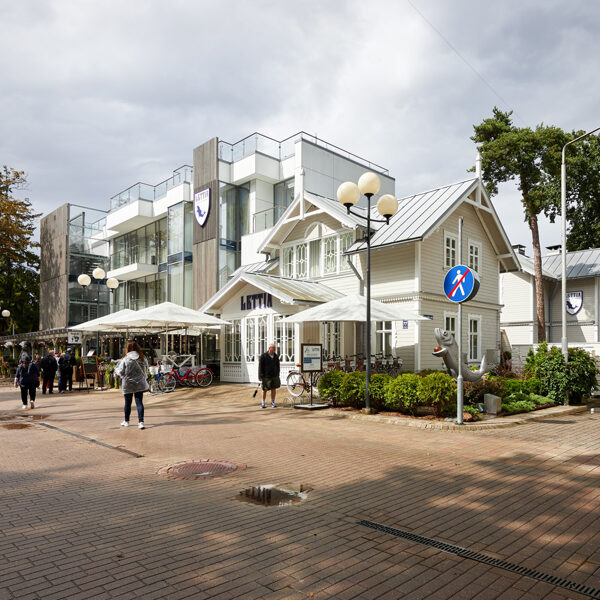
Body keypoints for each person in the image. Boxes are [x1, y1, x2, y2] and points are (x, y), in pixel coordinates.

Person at [115, 341, 148, 429]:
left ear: (128, 349)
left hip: (128, 384)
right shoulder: (142, 358)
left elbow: (121, 372)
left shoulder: (125, 359)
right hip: (139, 384)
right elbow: (146, 369)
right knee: (139, 403)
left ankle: (126, 421)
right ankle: (141, 422)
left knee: (127, 403)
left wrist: (116, 370)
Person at [258, 343, 280, 409]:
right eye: (273, 348)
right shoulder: (263, 356)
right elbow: (260, 366)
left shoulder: (276, 356)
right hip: (266, 376)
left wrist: (278, 374)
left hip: (274, 375)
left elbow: (278, 366)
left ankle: (272, 402)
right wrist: (260, 376)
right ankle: (263, 402)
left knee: (273, 389)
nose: (274, 349)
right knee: (264, 389)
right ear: (269, 348)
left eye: (275, 348)